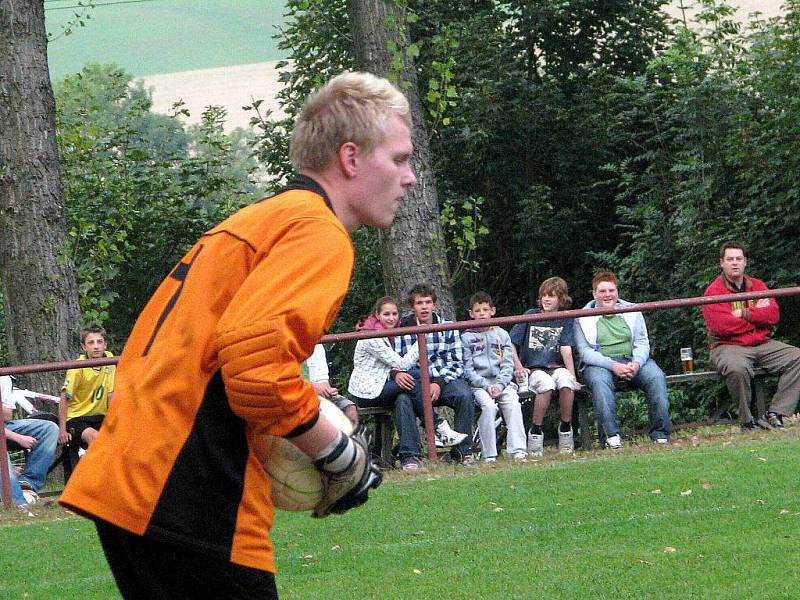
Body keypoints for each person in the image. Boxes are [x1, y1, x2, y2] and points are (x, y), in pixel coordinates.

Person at [60, 71, 416, 599]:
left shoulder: (261, 218)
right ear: (351, 158)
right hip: (187, 490)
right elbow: (255, 372)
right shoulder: (318, 233)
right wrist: (338, 453)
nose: (410, 177)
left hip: (138, 478)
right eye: (401, 158)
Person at [348, 296, 465, 471]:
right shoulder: (372, 335)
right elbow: (401, 364)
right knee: (417, 377)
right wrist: (421, 337)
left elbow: (394, 365)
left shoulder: (389, 333)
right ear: (377, 315)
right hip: (368, 391)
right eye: (386, 314)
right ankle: (438, 427)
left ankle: (412, 454)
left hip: (382, 385)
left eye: (394, 314)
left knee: (407, 391)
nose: (391, 318)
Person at [702, 240, 800, 429]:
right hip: (727, 346)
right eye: (730, 259)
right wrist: (756, 317)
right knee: (737, 368)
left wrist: (743, 314)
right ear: (721, 263)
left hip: (761, 343)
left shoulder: (758, 285)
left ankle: (776, 413)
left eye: (739, 258)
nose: (735, 263)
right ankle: (747, 421)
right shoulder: (713, 291)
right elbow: (723, 327)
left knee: (797, 357)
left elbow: (773, 315)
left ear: (745, 262)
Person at [574, 272, 671, 449]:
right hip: (600, 364)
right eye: (602, 291)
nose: (607, 295)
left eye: (611, 290)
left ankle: (660, 434)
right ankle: (611, 437)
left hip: (633, 359)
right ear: (594, 294)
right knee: (600, 383)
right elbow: (585, 353)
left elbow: (642, 342)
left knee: (656, 377)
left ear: (617, 292)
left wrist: (637, 362)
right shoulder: (582, 317)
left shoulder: (633, 311)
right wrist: (613, 365)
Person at [394, 283, 475, 464]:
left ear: (434, 305)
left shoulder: (448, 327)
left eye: (428, 302)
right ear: (411, 307)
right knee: (402, 400)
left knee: (464, 395)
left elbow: (456, 362)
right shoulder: (401, 329)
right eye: (419, 303)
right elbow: (399, 362)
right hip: (416, 381)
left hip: (444, 378)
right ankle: (410, 456)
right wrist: (414, 379)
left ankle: (462, 452)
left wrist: (438, 382)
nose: (424, 307)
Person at [510, 277, 580, 456]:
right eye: (544, 296)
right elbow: (511, 344)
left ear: (561, 299)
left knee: (565, 381)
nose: (547, 299)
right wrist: (518, 366)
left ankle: (566, 427)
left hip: (555, 367)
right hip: (533, 368)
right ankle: (535, 431)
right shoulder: (530, 315)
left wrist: (573, 377)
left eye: (552, 296)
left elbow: (566, 349)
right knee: (546, 384)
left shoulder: (565, 319)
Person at [461, 292, 527, 463]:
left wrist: (500, 384)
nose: (482, 313)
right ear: (471, 314)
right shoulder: (466, 338)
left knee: (513, 403)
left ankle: (518, 450)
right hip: (479, 386)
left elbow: (508, 363)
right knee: (489, 407)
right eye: (477, 310)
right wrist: (485, 385)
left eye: (485, 309)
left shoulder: (502, 334)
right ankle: (489, 453)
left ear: (493, 311)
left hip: (502, 383)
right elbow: (467, 369)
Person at [1, 375, 59, 506]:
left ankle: (27, 484)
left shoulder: (3, 377)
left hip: (5, 426)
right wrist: (17, 437)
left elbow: (6, 415)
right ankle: (17, 501)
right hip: (6, 432)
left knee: (49, 429)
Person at [58, 324, 116, 450]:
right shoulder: (77, 368)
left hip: (100, 416)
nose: (96, 346)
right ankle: (95, 469)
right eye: (91, 343)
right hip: (77, 418)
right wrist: (62, 430)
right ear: (83, 346)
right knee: (95, 438)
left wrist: (113, 421)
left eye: (99, 342)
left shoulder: (110, 359)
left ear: (105, 345)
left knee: (125, 435)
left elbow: (110, 394)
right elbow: (64, 397)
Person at [304, 343, 358, 424]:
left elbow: (323, 380)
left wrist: (328, 391)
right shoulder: (283, 343)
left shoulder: (317, 345)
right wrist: (313, 388)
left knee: (350, 409)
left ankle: (350, 435)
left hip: (317, 395)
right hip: (293, 397)